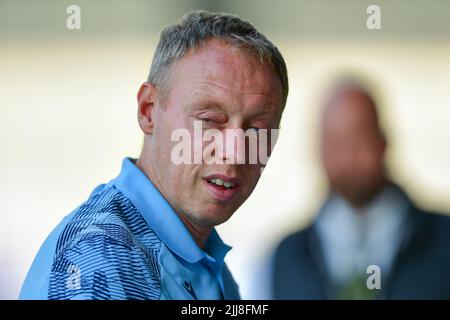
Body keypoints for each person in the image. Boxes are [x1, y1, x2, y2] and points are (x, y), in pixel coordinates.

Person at [20, 10, 288, 300]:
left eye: (258, 130)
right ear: (148, 110)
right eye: (210, 120)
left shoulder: (202, 260)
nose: (235, 152)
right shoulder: (100, 259)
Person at [272, 79, 450, 299]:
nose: (348, 156)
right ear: (319, 150)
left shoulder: (443, 239)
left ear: (383, 141)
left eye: (359, 137)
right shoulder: (289, 256)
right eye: (336, 142)